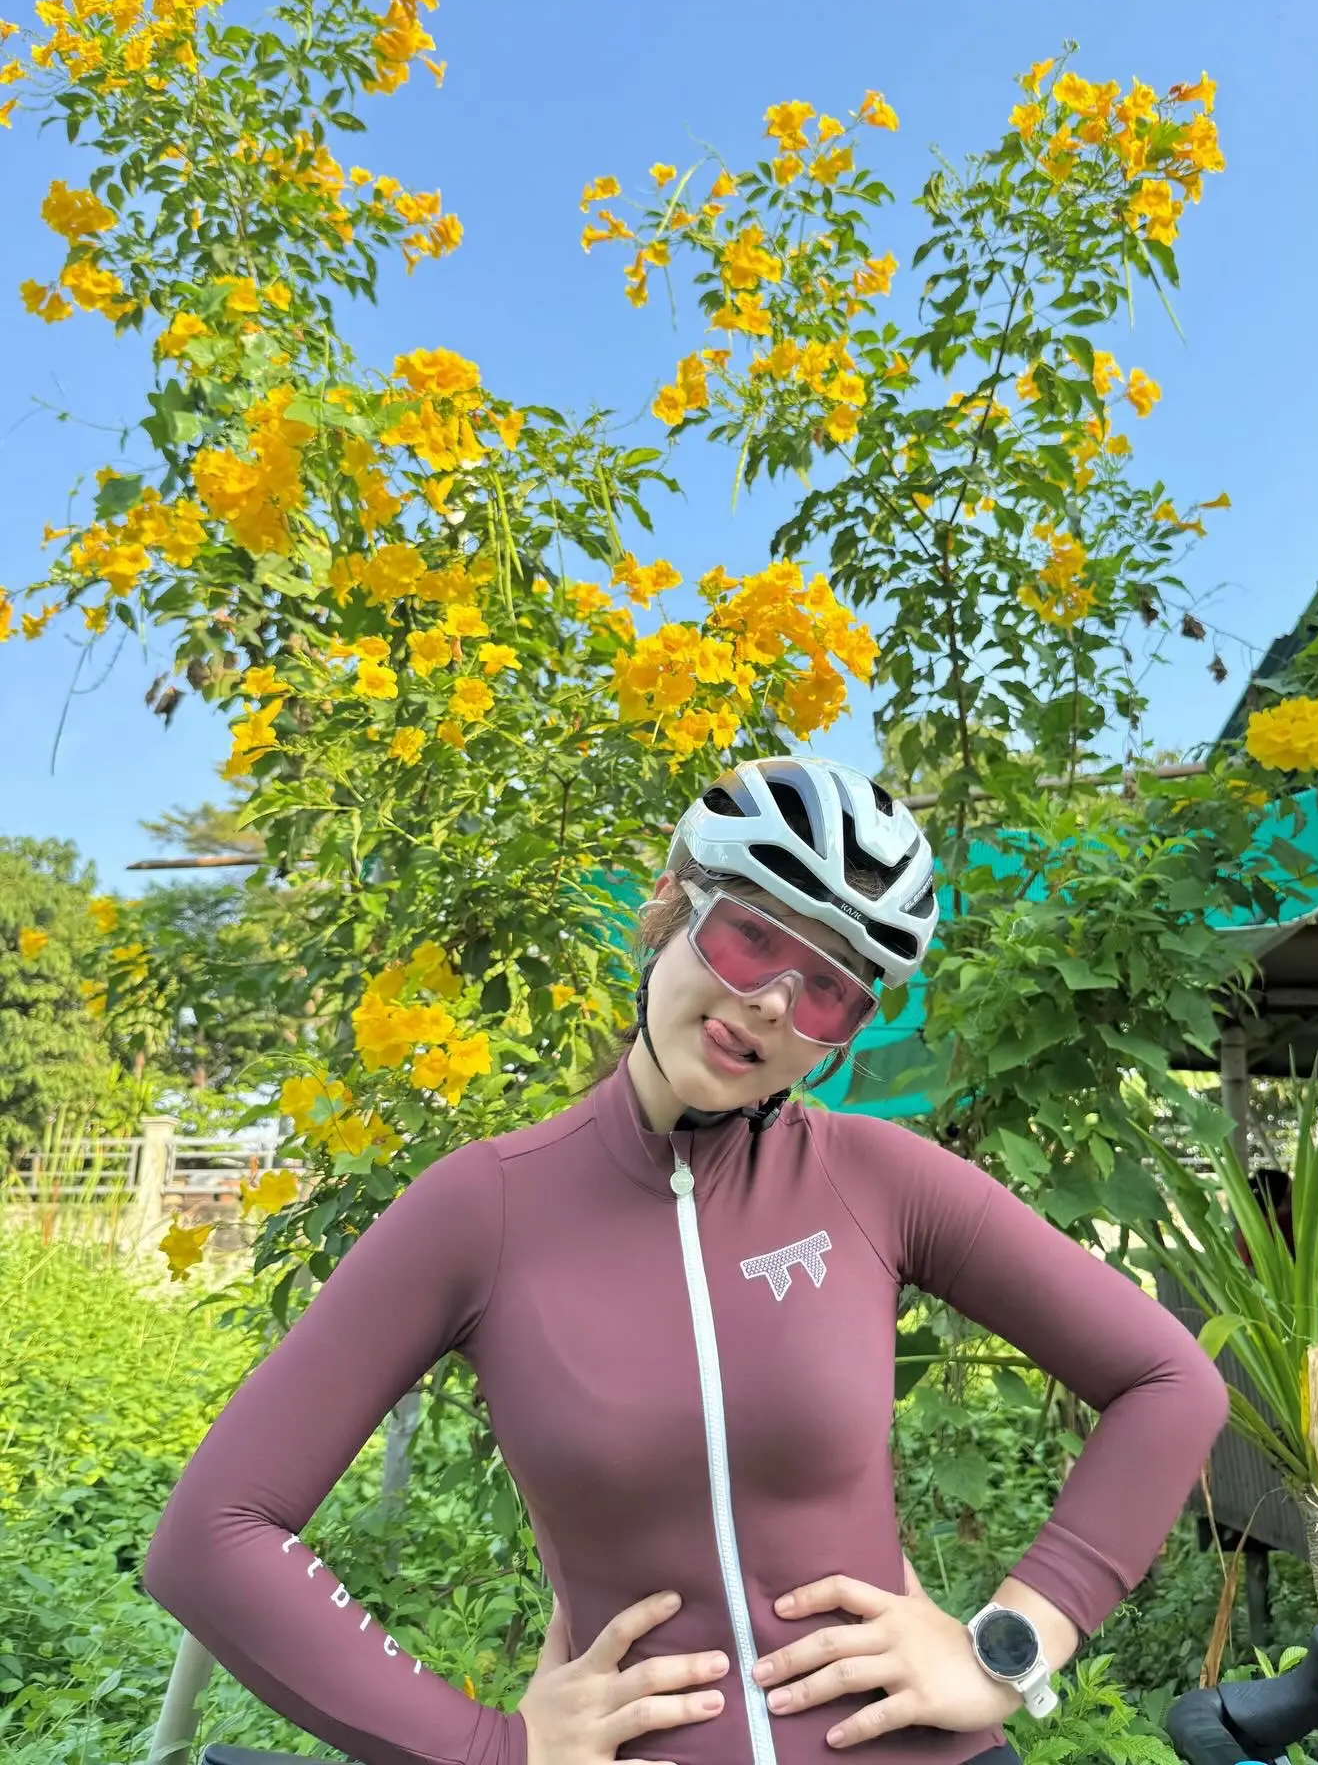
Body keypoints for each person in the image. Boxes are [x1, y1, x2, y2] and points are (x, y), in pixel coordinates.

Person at [144, 755, 1230, 1765]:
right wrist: (491, 1748)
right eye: (752, 938)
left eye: (829, 989)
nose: (773, 1003)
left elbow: (1169, 1381)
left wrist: (1010, 1645)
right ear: (669, 908)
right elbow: (212, 1536)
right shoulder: (485, 1207)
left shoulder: (877, 1178)